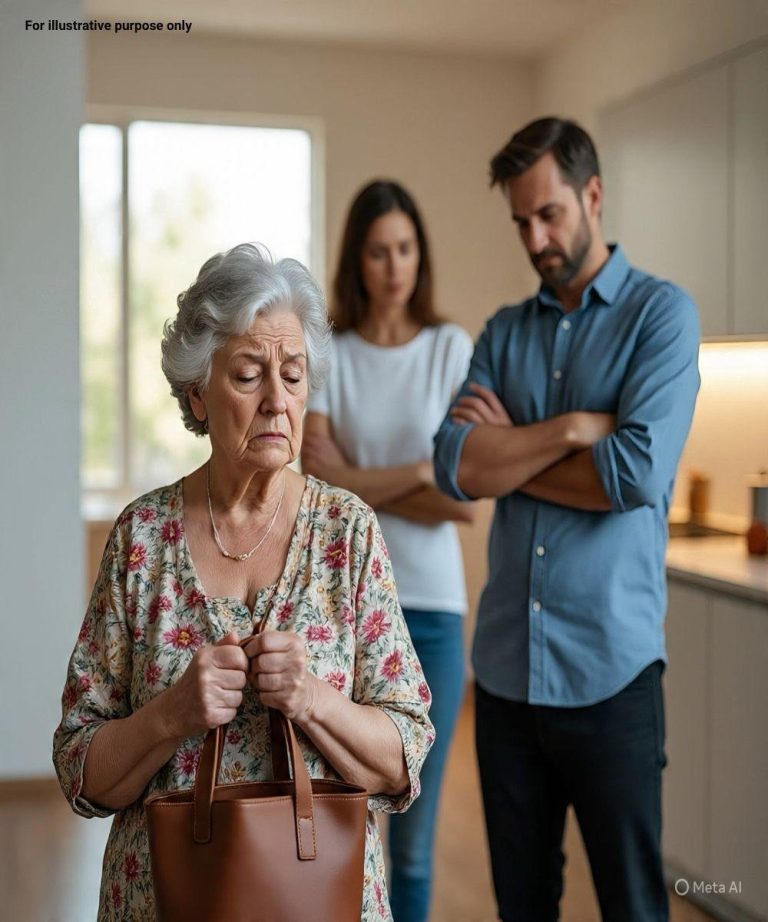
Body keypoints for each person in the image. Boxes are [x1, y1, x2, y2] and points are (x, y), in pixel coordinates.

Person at [53, 243, 434, 922]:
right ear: (197, 392)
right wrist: (173, 715)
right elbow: (81, 771)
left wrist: (313, 698)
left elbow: (404, 756)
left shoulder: (348, 532)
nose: (277, 402)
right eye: (249, 375)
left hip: (322, 901)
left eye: (293, 376)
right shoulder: (141, 539)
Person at [433, 118, 701, 922]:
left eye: (548, 214)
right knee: (522, 907)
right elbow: (457, 467)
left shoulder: (662, 317)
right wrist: (573, 429)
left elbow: (633, 475)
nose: (535, 237)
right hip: (507, 682)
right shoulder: (504, 331)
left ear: (593, 195)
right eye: (521, 221)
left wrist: (508, 451)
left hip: (612, 677)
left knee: (632, 904)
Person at [301, 179, 474, 922]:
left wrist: (362, 482)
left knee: (414, 835)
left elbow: (464, 498)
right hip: (345, 606)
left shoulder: (450, 348)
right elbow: (319, 479)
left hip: (433, 612)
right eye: (378, 251)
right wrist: (418, 471)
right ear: (357, 260)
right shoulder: (331, 351)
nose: (394, 266)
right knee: (340, 815)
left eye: (405, 249)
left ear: (420, 256)